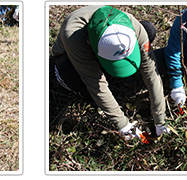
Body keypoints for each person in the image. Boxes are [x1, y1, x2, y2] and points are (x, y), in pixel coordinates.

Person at [52, 5, 169, 141]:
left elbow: (151, 73)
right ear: (90, 43)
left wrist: (160, 119)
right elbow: (96, 84)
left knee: (148, 29)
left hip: (103, 54)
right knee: (67, 71)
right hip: (72, 60)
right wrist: (123, 125)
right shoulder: (73, 35)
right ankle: (93, 91)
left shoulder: (132, 25)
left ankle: (119, 70)